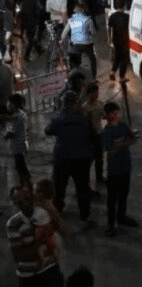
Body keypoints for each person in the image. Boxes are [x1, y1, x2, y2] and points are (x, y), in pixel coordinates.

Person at [45, 91, 95, 230]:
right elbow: (92, 135)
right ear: (76, 103)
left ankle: (58, 216)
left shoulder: (59, 118)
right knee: (82, 189)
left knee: (59, 189)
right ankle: (84, 218)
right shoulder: (84, 118)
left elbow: (48, 130)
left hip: (63, 158)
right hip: (82, 159)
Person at [6, 185, 65, 287]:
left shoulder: (42, 213)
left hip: (49, 269)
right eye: (20, 201)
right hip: (28, 275)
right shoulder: (13, 224)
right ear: (16, 203)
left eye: (27, 198)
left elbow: (54, 239)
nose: (26, 203)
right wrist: (42, 249)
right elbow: (18, 256)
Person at [101, 101, 139, 236]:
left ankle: (121, 216)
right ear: (108, 115)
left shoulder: (123, 126)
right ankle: (111, 223)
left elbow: (133, 139)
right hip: (113, 169)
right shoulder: (106, 131)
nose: (116, 115)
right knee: (112, 198)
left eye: (117, 113)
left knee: (124, 194)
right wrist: (122, 143)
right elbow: (108, 149)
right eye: (114, 113)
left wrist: (119, 144)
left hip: (125, 166)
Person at [61, 2, 97, 79]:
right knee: (92, 60)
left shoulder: (71, 20)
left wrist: (62, 40)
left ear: (74, 11)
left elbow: (64, 34)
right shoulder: (88, 20)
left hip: (76, 45)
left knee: (74, 62)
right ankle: (94, 77)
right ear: (83, 10)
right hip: (87, 44)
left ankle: (75, 76)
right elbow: (93, 32)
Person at [1, 94, 31, 187]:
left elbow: (10, 133)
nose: (7, 105)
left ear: (13, 105)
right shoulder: (21, 114)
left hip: (17, 147)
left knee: (20, 168)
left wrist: (4, 136)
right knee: (22, 166)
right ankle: (26, 183)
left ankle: (25, 185)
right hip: (22, 144)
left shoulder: (15, 117)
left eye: (8, 103)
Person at [83, 83, 105, 184]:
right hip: (90, 135)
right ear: (89, 94)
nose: (96, 94)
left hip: (99, 133)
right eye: (93, 92)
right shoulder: (85, 107)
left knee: (100, 157)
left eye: (97, 92)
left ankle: (99, 177)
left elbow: (103, 115)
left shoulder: (100, 103)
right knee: (89, 158)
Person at [107, 0, 130, 81]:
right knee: (124, 59)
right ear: (124, 6)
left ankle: (112, 72)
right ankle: (121, 77)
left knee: (117, 56)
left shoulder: (112, 16)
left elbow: (109, 28)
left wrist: (109, 38)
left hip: (115, 40)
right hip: (124, 40)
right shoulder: (127, 17)